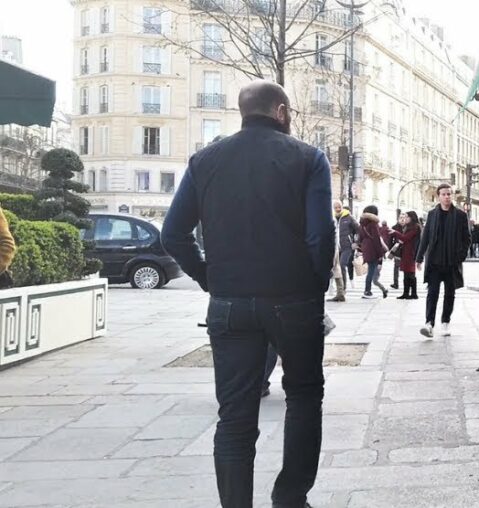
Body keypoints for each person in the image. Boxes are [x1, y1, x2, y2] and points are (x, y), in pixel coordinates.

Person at [161, 80, 333, 508]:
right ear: (280, 112)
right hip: (294, 299)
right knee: (304, 396)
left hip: (230, 303)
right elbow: (320, 235)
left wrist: (209, 278)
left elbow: (173, 234)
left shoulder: (205, 160)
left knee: (234, 417)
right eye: (288, 112)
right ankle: (291, 497)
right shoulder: (309, 158)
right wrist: (315, 285)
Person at [417, 183, 471, 338]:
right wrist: (419, 257)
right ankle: (429, 324)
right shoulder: (432, 214)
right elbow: (425, 236)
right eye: (444, 194)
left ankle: (445, 321)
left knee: (449, 294)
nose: (447, 197)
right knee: (432, 293)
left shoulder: (460, 215)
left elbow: (467, 239)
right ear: (438, 196)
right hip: (434, 261)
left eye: (449, 194)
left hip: (451, 263)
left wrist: (460, 256)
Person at [356, 205, 389, 299]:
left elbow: (360, 238)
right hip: (372, 249)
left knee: (370, 270)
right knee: (371, 271)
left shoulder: (362, 224)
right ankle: (367, 291)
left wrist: (360, 249)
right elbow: (376, 240)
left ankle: (368, 290)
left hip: (366, 248)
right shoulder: (373, 224)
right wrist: (380, 254)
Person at [389, 211, 421, 300]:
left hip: (411, 253)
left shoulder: (415, 227)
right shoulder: (408, 227)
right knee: (406, 273)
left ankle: (414, 293)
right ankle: (406, 293)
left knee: (410, 273)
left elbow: (405, 238)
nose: (405, 218)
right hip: (406, 252)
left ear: (412, 218)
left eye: (407, 217)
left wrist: (395, 232)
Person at [327, 201, 349, 302]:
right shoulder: (333, 218)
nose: (337, 209)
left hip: (332, 246)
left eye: (339, 207)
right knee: (336, 268)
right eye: (335, 207)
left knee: (334, 268)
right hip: (334, 245)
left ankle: (339, 293)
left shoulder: (331, 218)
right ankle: (340, 293)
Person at [338, 206, 358, 286]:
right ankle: (337, 286)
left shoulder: (350, 218)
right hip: (338, 246)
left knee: (347, 263)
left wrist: (355, 242)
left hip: (349, 245)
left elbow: (358, 230)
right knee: (337, 266)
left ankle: (350, 281)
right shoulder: (337, 218)